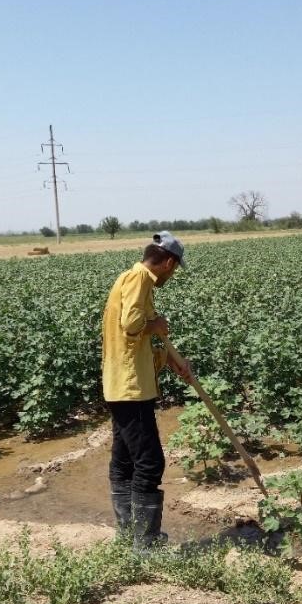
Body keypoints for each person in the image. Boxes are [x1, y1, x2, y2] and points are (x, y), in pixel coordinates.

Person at [101, 231, 193, 549]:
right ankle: (146, 543)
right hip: (132, 387)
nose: (173, 274)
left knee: (125, 459)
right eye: (175, 268)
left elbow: (137, 341)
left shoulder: (133, 279)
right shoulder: (140, 278)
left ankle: (130, 535)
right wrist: (156, 325)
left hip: (120, 383)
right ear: (168, 262)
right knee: (150, 461)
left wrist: (172, 360)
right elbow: (132, 325)